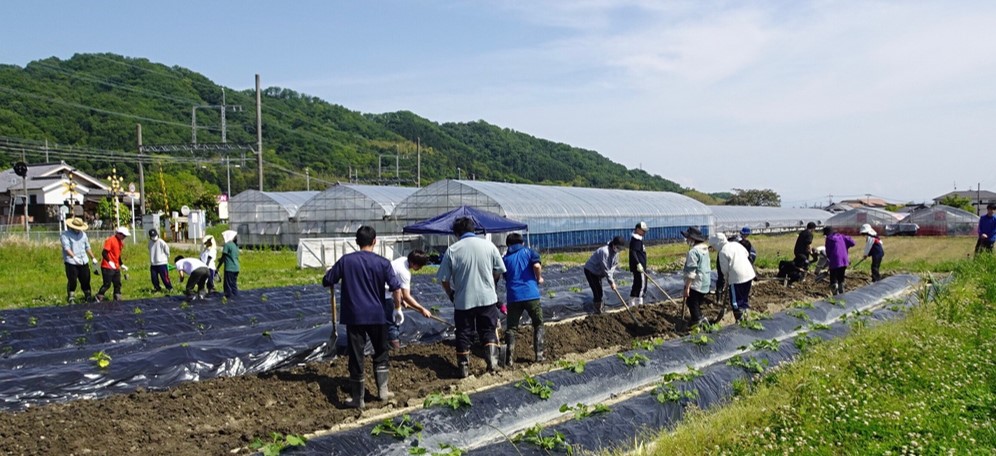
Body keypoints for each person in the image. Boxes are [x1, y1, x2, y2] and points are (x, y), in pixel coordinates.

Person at [323, 226, 403, 409]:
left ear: (357, 242)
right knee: (381, 351)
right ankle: (383, 391)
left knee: (356, 355)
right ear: (375, 241)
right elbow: (396, 288)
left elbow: (328, 280)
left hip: (354, 316)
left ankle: (358, 399)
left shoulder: (346, 261)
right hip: (377, 315)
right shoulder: (383, 263)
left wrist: (329, 273)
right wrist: (397, 308)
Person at [436, 217, 506, 377]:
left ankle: (464, 370)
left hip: (463, 300)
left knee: (464, 333)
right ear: (473, 230)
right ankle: (493, 364)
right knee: (488, 329)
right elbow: (499, 270)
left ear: (456, 233)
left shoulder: (452, 250)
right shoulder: (489, 246)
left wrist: (451, 293)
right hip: (487, 298)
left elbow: (444, 279)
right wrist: (491, 283)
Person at [501, 232, 545, 366]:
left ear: (508, 244)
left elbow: (502, 275)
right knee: (538, 323)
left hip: (513, 296)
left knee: (512, 328)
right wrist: (539, 278)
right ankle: (539, 356)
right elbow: (536, 266)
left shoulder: (505, 258)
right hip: (531, 294)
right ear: (522, 243)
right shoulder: (529, 252)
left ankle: (509, 358)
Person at [385, 250, 433, 349]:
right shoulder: (405, 273)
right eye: (419, 266)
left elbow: (397, 285)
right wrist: (422, 309)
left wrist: (401, 300)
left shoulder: (402, 259)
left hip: (380, 291)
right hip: (385, 295)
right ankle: (395, 346)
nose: (420, 269)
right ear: (412, 263)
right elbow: (407, 296)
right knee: (393, 321)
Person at [710, 231, 757, 322]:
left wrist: (727, 280)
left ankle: (739, 320)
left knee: (735, 302)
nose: (715, 248)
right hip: (749, 274)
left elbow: (724, 270)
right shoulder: (736, 245)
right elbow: (747, 255)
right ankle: (746, 315)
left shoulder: (722, 252)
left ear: (717, 244)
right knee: (743, 298)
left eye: (714, 246)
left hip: (737, 278)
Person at [583, 236, 626, 315]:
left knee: (600, 291)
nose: (618, 250)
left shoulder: (616, 254)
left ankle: (599, 308)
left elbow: (613, 267)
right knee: (597, 291)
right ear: (613, 244)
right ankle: (597, 311)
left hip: (599, 273)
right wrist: (611, 282)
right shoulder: (604, 251)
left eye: (620, 248)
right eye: (617, 247)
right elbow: (605, 268)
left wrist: (611, 280)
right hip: (591, 271)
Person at [60, 217, 98, 304]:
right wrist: (74, 257)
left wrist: (93, 258)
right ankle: (71, 296)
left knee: (86, 279)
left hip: (84, 260)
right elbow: (67, 248)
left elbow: (87, 247)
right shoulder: (65, 235)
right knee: (72, 279)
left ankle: (87, 295)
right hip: (71, 261)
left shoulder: (83, 235)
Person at [680, 227, 710, 328]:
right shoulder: (704, 249)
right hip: (705, 281)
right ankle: (699, 318)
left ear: (693, 239)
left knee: (692, 302)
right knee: (696, 303)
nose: (686, 240)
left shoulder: (693, 252)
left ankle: (698, 323)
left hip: (697, 283)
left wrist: (687, 287)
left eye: (688, 238)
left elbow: (691, 271)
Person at [96, 227, 130, 302]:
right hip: (107, 266)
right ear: (119, 234)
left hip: (116, 266)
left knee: (117, 283)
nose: (125, 237)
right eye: (124, 236)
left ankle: (117, 297)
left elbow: (118, 255)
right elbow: (104, 253)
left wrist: (121, 264)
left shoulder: (120, 242)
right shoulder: (110, 240)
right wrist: (109, 261)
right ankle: (99, 297)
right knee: (107, 284)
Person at [823, 226, 856, 295]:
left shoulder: (829, 239)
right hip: (844, 259)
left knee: (833, 276)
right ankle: (841, 288)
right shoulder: (842, 236)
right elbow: (853, 243)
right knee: (841, 275)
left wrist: (829, 259)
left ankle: (834, 290)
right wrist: (845, 246)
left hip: (835, 260)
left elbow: (828, 251)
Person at [628, 222, 649, 306]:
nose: (644, 232)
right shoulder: (636, 240)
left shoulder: (637, 240)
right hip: (639, 267)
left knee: (636, 284)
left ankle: (632, 303)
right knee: (641, 285)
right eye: (643, 231)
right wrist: (638, 263)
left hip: (639, 266)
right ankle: (639, 304)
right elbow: (633, 253)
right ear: (637, 229)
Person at [148, 229, 173, 293]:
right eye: (152, 236)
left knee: (164, 277)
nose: (154, 237)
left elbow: (167, 250)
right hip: (153, 263)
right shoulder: (150, 242)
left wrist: (166, 257)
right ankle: (157, 288)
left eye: (155, 235)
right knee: (154, 278)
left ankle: (169, 288)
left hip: (162, 263)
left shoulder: (161, 242)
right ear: (150, 236)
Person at [218, 230, 240, 299]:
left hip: (229, 268)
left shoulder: (227, 245)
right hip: (236, 267)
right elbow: (231, 256)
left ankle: (229, 299)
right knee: (233, 284)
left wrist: (218, 267)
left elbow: (224, 257)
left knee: (227, 285)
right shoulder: (235, 245)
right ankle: (235, 298)